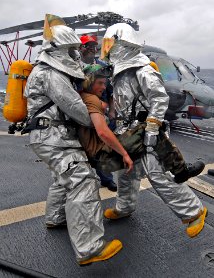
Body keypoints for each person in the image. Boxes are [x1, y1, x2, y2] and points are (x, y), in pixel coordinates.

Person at [24, 14, 122, 265]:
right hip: (53, 136)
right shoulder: (51, 74)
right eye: (72, 50)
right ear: (58, 50)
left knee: (63, 177)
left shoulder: (47, 71)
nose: (76, 55)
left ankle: (55, 217)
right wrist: (99, 117)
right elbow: (77, 110)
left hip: (50, 136)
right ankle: (89, 248)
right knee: (83, 180)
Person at [100, 23, 207, 238]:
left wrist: (151, 131)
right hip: (129, 132)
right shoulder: (121, 72)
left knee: (159, 176)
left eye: (111, 44)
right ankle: (125, 207)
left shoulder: (143, 69)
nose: (108, 49)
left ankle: (194, 211)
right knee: (125, 174)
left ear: (123, 44)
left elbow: (159, 99)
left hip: (146, 130)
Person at [79, 34, 117, 192]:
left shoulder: (102, 66)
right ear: (80, 48)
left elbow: (111, 92)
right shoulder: (74, 66)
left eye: (94, 46)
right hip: (81, 113)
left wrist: (112, 111)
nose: (91, 49)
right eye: (88, 46)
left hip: (101, 113)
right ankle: (82, 180)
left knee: (103, 146)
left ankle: (107, 179)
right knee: (81, 148)